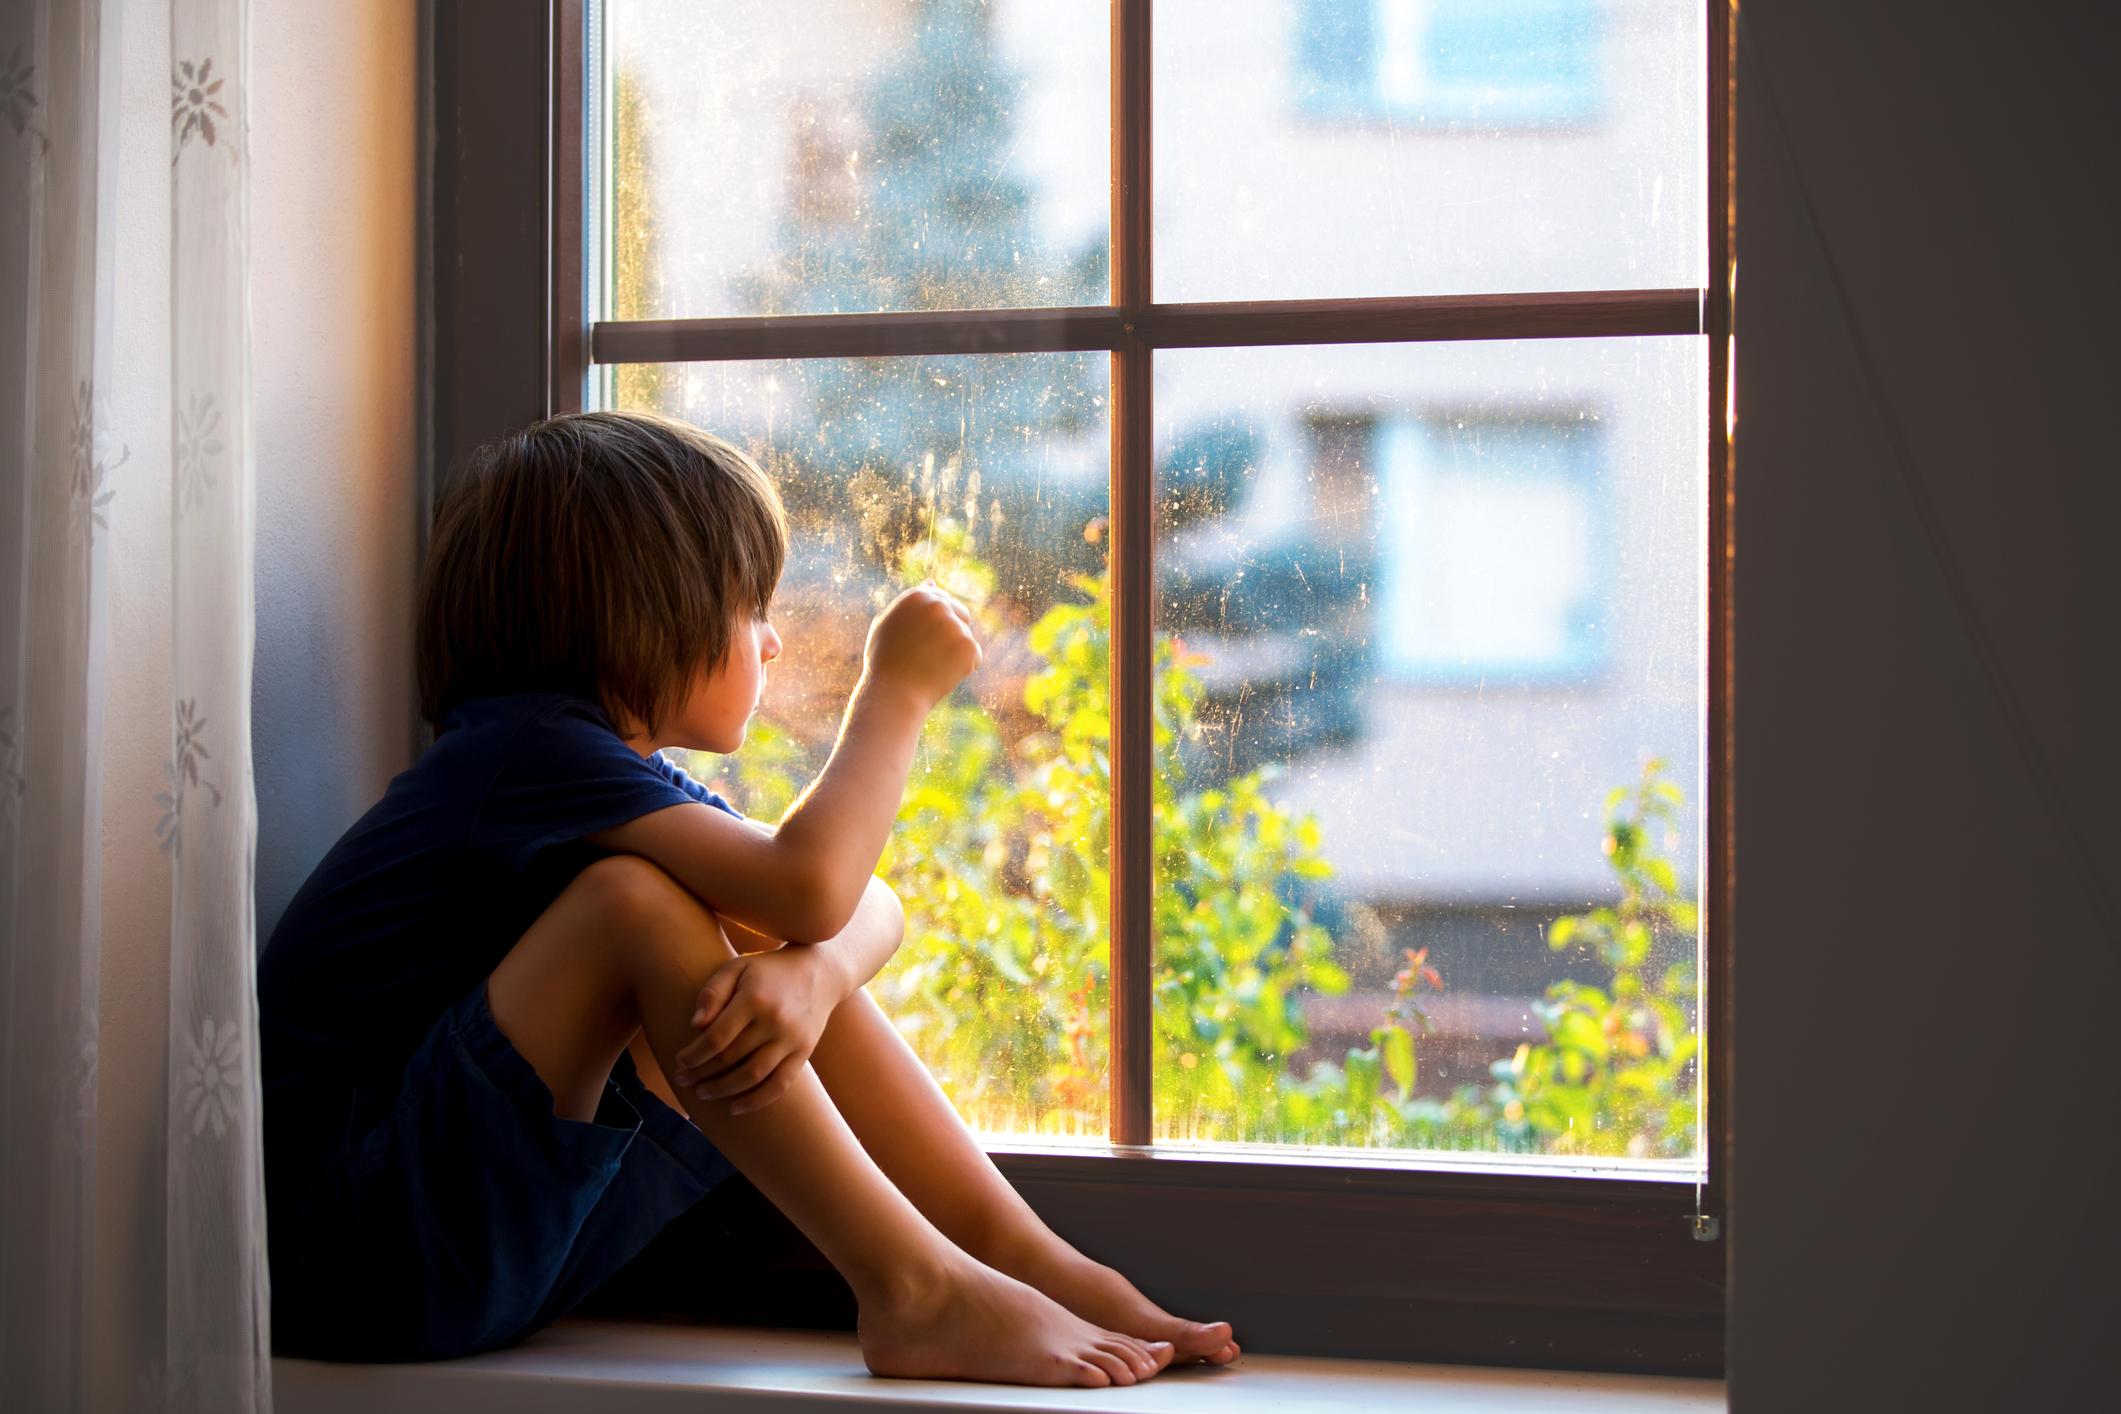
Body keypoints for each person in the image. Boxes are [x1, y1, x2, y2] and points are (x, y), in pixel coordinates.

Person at [258, 410, 1236, 1386]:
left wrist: (810, 979)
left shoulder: (603, 779)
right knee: (632, 908)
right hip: (346, 1246)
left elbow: (858, 906)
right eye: (748, 607)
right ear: (642, 611)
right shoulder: (523, 751)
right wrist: (891, 694)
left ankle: (1020, 1257)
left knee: (730, 942)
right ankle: (916, 1286)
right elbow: (814, 886)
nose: (771, 643)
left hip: (459, 1249)